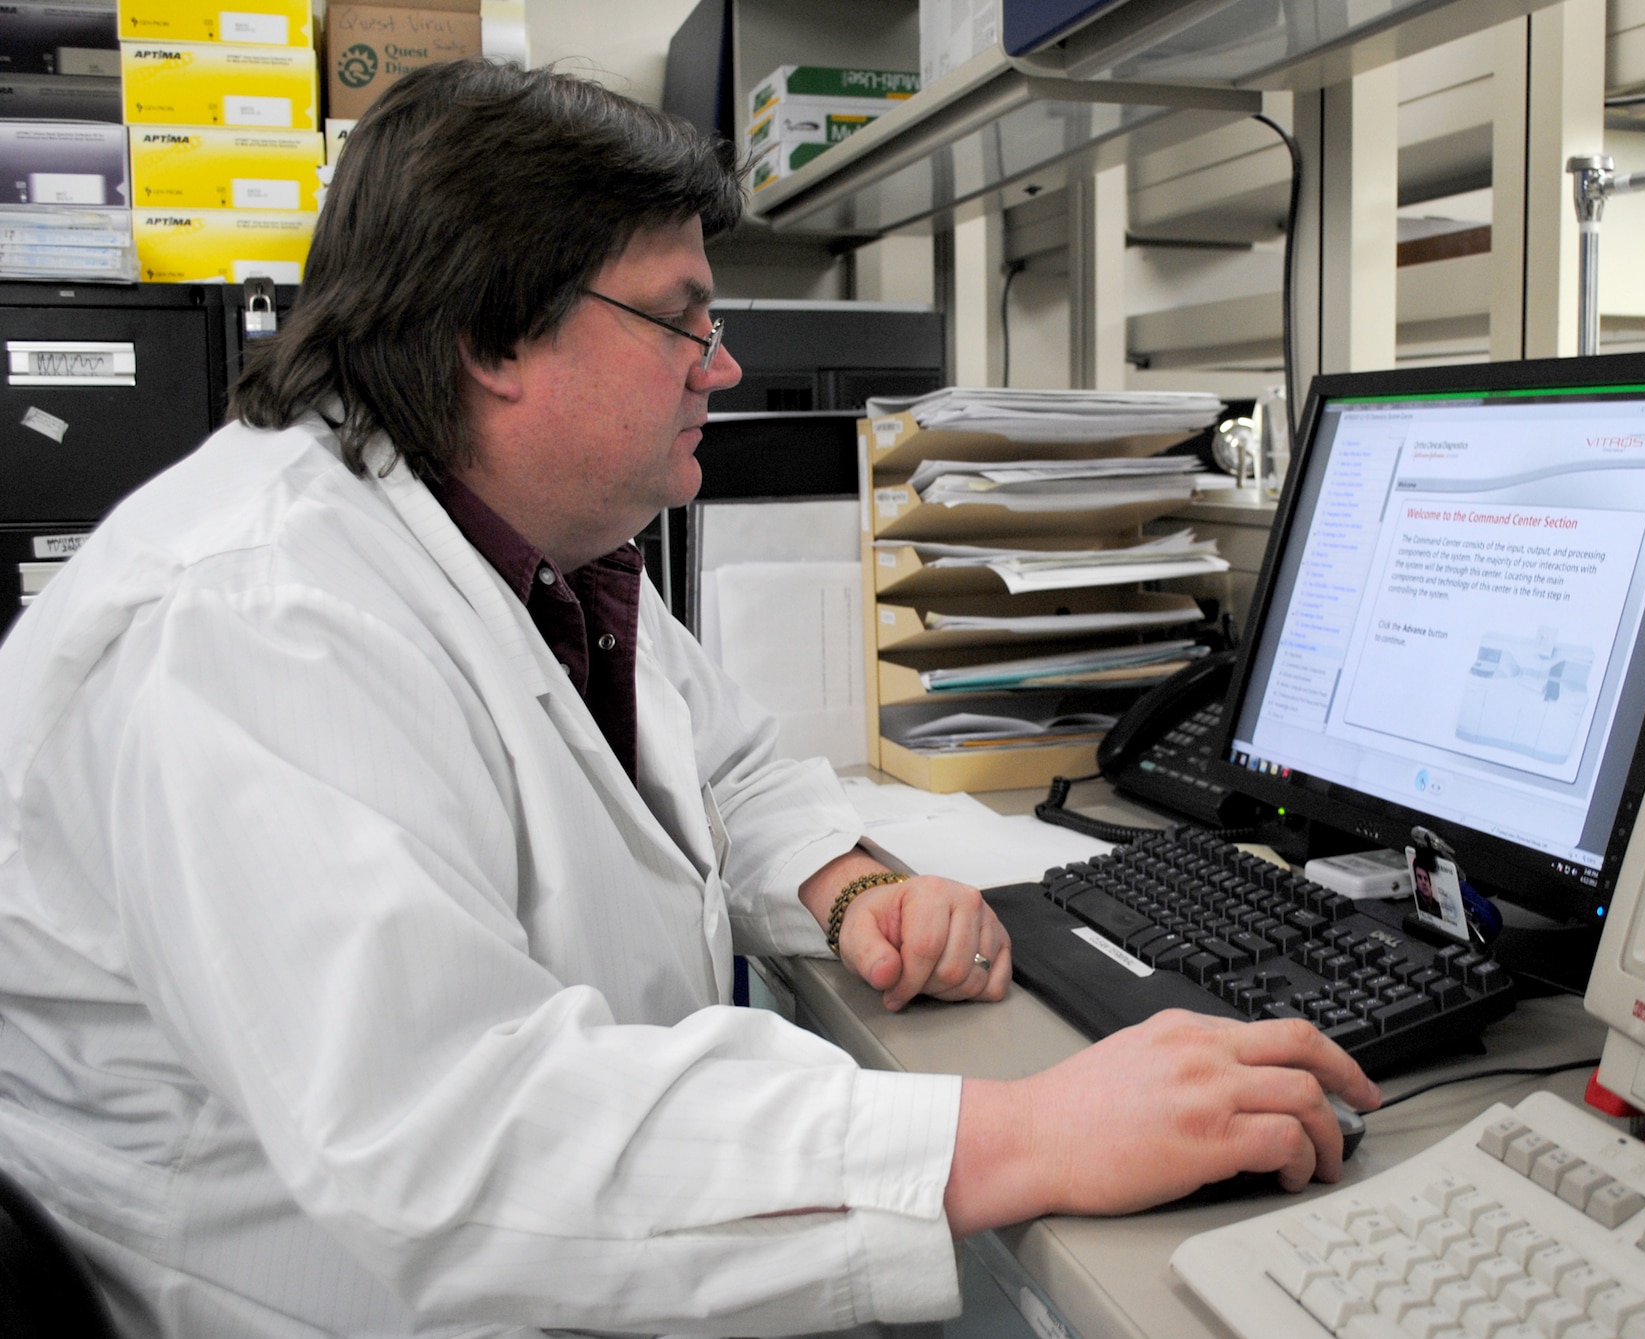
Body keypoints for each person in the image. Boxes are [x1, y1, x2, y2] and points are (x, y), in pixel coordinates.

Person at [0, 60, 1377, 1337]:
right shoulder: (248, 621)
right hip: (323, 1291)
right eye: (679, 319)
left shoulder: (527, 538)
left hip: (551, 1240)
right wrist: (1021, 1135)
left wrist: (846, 885)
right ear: (494, 334)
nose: (717, 366)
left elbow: (723, 767)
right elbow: (445, 1135)